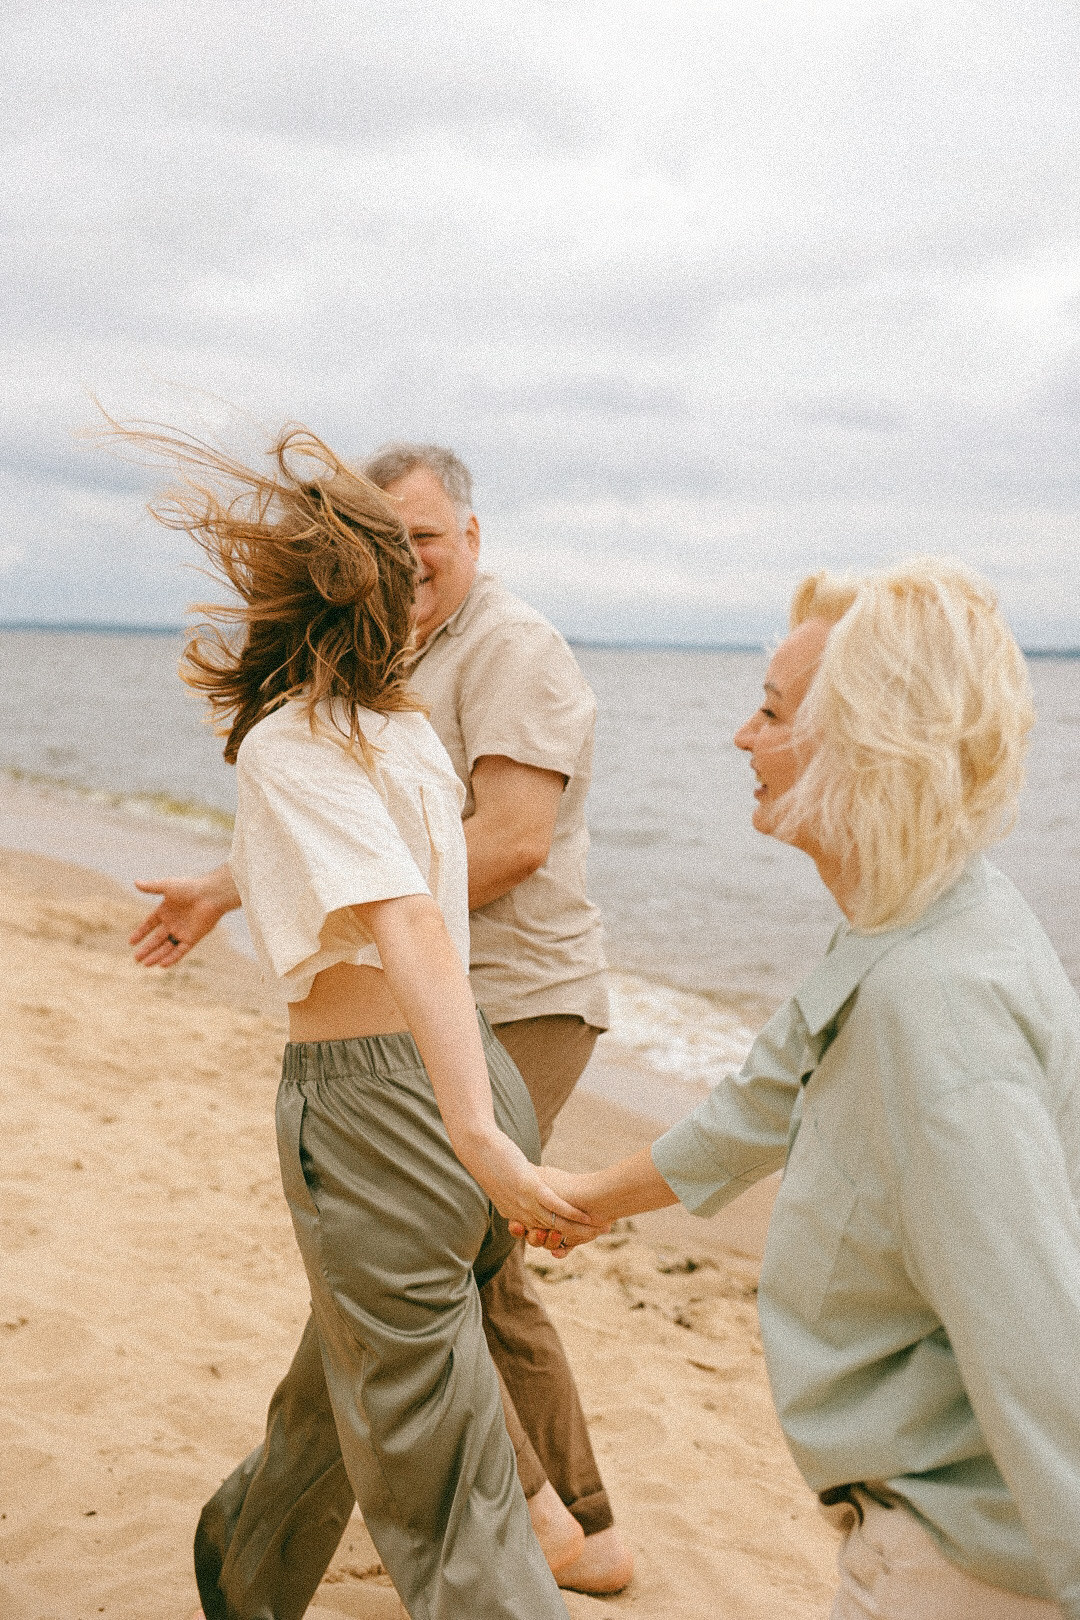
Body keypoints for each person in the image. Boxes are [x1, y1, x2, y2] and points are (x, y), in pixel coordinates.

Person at [521, 561, 1080, 1618]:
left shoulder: (938, 1004)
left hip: (966, 1565)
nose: (742, 737)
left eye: (771, 712)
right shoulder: (915, 915)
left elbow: (1040, 1346)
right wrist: (586, 1202)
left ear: (865, 741)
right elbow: (765, 1096)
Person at [131, 444, 633, 1603]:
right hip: (464, 1056)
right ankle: (243, 1564)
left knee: (436, 1464)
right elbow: (363, 875)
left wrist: (473, 1131)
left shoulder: (291, 741)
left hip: (372, 1096)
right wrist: (227, 883)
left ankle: (547, 1553)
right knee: (340, 1380)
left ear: (279, 601)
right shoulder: (397, 728)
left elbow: (406, 915)